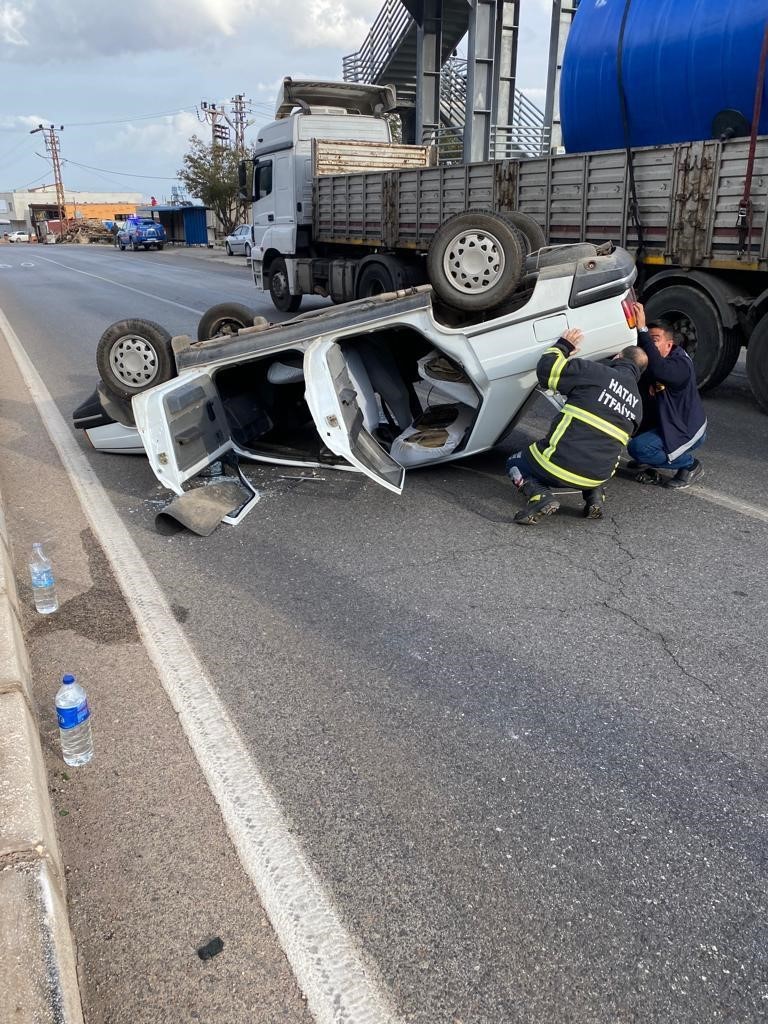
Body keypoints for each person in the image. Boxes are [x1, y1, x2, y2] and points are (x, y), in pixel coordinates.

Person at [507, 329, 648, 524]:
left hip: (557, 466)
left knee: (515, 463)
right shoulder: (638, 405)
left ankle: (540, 496)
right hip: (598, 477)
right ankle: (595, 498)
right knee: (598, 447)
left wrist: (563, 346)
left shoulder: (597, 372)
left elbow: (548, 371)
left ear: (618, 356)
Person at [627, 302, 706, 488]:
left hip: (685, 429)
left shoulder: (680, 365)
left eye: (654, 340)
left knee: (638, 448)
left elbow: (659, 369)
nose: (647, 345)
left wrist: (643, 330)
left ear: (669, 345)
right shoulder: (654, 361)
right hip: (665, 422)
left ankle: (689, 465)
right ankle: (649, 459)